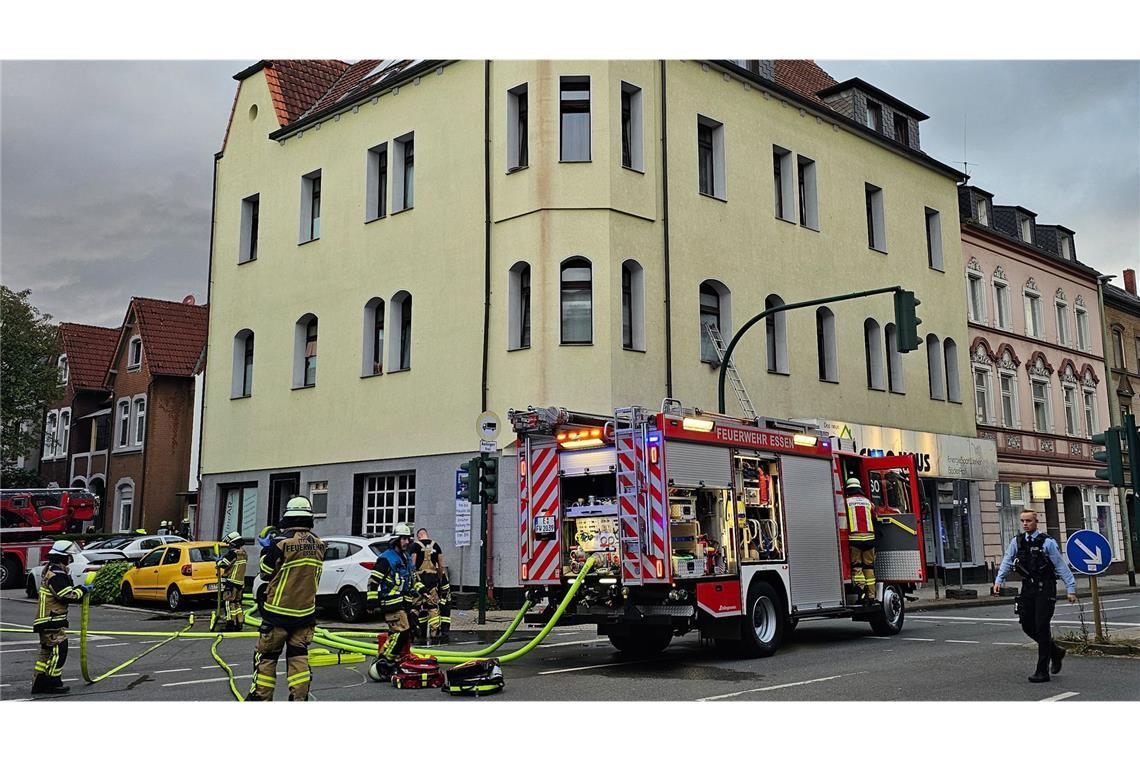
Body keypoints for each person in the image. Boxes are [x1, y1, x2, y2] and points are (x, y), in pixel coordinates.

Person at [246, 496, 326, 702]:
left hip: (278, 614)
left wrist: (267, 550)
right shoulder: (320, 544)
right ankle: (299, 699)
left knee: (266, 657)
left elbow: (265, 573)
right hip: (306, 614)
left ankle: (261, 699)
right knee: (299, 659)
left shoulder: (280, 543)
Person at [994, 510, 1078, 683]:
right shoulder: (1017, 541)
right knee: (1026, 624)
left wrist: (1071, 589)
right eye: (1023, 521)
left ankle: (1042, 671)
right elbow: (1008, 561)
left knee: (1041, 626)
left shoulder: (1047, 542)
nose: (1025, 524)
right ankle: (1055, 651)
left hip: (1045, 588)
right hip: (1027, 588)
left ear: (1036, 522)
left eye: (1029, 521)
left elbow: (1060, 566)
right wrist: (998, 580)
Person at [32, 540, 91, 695]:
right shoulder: (57, 574)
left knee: (46, 651)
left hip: (46, 620)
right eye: (69, 558)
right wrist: (82, 590)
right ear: (63, 558)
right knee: (60, 649)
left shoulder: (51, 570)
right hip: (51, 620)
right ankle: (52, 683)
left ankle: (38, 682)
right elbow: (66, 595)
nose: (70, 561)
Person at [368, 523, 425, 677]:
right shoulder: (386, 559)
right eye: (404, 538)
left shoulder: (406, 558)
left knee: (401, 633)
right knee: (402, 632)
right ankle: (385, 660)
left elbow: (413, 579)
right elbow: (373, 581)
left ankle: (389, 662)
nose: (407, 542)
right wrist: (372, 601)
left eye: (408, 539)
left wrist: (422, 591)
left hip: (404, 604)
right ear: (396, 540)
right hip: (391, 603)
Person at [844, 477, 878, 604]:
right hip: (869, 540)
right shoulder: (868, 502)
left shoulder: (846, 502)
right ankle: (871, 595)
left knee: (857, 567)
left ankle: (861, 593)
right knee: (869, 567)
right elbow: (875, 518)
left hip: (855, 540)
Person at [411, 528, 446, 644]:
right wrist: (439, 578)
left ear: (418, 536)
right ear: (426, 534)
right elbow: (441, 565)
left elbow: (412, 564)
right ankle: (434, 632)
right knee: (433, 606)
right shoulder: (436, 545)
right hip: (432, 580)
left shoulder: (415, 546)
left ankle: (413, 630)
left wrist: (412, 580)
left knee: (416, 606)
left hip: (419, 580)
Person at [215, 531, 248, 632]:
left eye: (229, 544)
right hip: (240, 582)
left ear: (233, 543)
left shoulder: (232, 553)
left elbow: (223, 564)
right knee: (237, 603)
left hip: (232, 581)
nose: (228, 546)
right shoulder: (244, 553)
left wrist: (218, 561)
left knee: (228, 602)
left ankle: (230, 623)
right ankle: (239, 622)